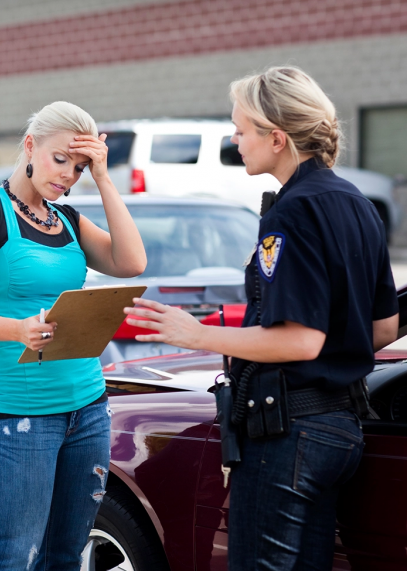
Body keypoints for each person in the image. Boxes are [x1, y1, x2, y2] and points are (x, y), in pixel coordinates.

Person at [125, 67, 399, 570]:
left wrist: (198, 333)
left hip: (289, 434)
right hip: (340, 430)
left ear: (277, 137)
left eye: (241, 129)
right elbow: (382, 329)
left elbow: (300, 340)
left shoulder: (291, 212)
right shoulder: (358, 204)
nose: (235, 141)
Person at [0, 101, 146, 570]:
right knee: (16, 558)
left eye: (79, 167)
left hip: (87, 409)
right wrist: (19, 329)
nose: (68, 176)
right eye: (61, 160)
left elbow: (132, 262)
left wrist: (105, 177)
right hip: (21, 415)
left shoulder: (67, 220)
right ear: (30, 146)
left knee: (65, 557)